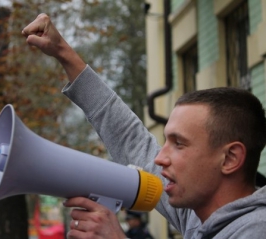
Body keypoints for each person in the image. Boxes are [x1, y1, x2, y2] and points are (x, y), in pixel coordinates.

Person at [22, 13, 266, 239]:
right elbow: (132, 140)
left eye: (179, 144)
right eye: (166, 141)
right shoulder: (199, 216)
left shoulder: (256, 229)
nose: (159, 158)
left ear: (230, 158)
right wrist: (63, 52)